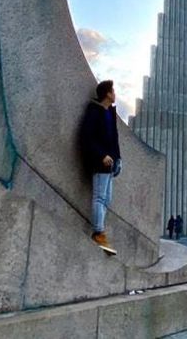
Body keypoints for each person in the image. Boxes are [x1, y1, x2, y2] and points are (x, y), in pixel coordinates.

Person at [79, 80, 122, 253]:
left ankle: (100, 231)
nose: (115, 94)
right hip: (99, 162)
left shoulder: (110, 113)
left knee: (107, 199)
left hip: (110, 164)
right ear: (107, 94)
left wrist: (118, 159)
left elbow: (114, 139)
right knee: (99, 197)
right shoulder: (94, 111)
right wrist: (101, 155)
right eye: (113, 91)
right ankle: (98, 233)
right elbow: (86, 137)